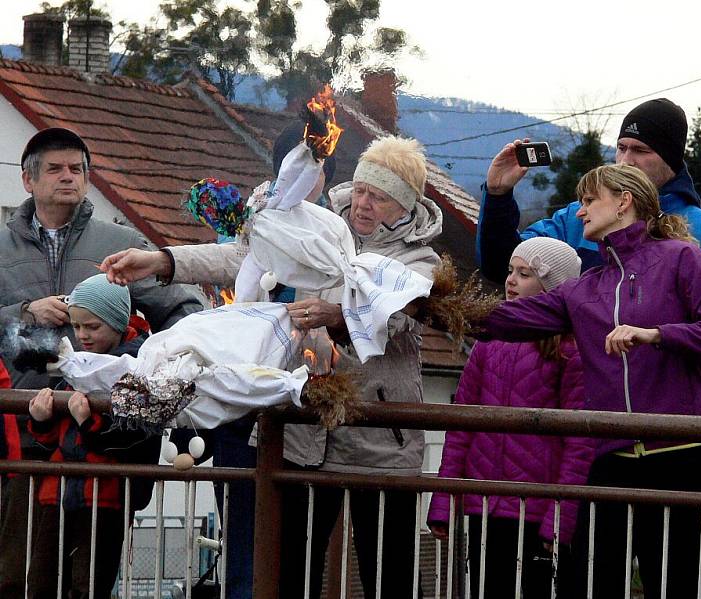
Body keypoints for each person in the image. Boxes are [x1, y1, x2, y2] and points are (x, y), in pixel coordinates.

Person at [100, 134, 442, 598]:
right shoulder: (316, 224)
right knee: (289, 573)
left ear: (404, 204)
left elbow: (397, 316)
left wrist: (336, 315)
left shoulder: (420, 258)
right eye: (361, 190)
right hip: (301, 428)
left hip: (379, 438)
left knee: (390, 573)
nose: (363, 204)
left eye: (379, 198)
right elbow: (246, 255)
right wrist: (162, 261)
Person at [475, 164, 701, 598]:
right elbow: (501, 321)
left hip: (683, 458)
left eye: (588, 200)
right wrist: (420, 304)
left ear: (623, 202)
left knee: (683, 587)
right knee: (587, 585)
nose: (580, 213)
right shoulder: (584, 288)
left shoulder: (685, 259)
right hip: (610, 462)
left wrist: (655, 334)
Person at [476, 98, 701, 478]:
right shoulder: (578, 221)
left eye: (641, 151)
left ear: (672, 161)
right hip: (583, 433)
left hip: (678, 438)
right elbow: (506, 267)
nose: (626, 160)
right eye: (621, 147)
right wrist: (497, 197)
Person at [0, 127, 204, 597]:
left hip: (104, 440)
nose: (68, 177)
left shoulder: (119, 242)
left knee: (88, 577)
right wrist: (24, 314)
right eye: (55, 169)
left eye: (77, 169)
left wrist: (158, 365)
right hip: (22, 433)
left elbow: (183, 310)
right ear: (28, 181)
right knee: (17, 574)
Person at [427, 237, 592, 598]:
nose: (511, 280)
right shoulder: (490, 342)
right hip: (485, 502)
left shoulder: (570, 350)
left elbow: (579, 443)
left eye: (525, 273)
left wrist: (559, 518)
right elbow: (462, 423)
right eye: (510, 271)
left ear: (552, 289)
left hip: (537, 506)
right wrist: (445, 497)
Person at [26, 274, 160, 599]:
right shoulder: (75, 367)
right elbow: (51, 441)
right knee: (41, 582)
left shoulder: (139, 369)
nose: (82, 335)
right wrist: (42, 421)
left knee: (87, 585)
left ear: (116, 323)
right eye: (77, 326)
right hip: (58, 492)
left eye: (92, 327)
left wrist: (89, 424)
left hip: (107, 496)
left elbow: (135, 437)